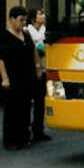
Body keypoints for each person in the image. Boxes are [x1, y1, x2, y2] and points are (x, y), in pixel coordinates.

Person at [0, 6, 41, 150]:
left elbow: (34, 51)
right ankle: (11, 140)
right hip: (13, 77)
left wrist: (38, 67)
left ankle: (24, 137)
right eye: (21, 20)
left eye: (25, 20)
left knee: (25, 107)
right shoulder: (5, 37)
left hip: (27, 76)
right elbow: (0, 58)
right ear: (12, 19)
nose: (23, 23)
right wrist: (4, 78)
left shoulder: (26, 35)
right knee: (12, 109)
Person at [26, 8, 51, 142]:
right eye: (40, 14)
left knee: (40, 101)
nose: (43, 15)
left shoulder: (45, 30)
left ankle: (38, 129)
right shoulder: (28, 31)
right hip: (32, 68)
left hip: (45, 66)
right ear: (33, 18)